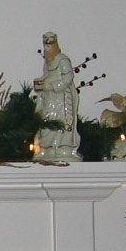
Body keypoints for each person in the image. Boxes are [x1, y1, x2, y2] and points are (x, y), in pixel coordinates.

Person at [32, 31, 81, 162]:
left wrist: (51, 86)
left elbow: (67, 78)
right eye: (46, 46)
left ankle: (62, 148)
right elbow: (46, 76)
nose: (48, 48)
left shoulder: (63, 60)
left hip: (62, 98)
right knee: (47, 120)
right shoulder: (47, 62)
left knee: (62, 122)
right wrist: (40, 83)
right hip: (49, 98)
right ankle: (46, 148)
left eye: (50, 45)